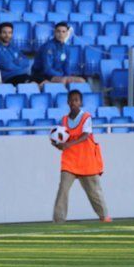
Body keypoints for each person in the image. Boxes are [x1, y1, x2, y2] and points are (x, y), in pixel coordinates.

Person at [52, 90, 110, 223]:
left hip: (86, 159)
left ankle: (104, 216)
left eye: (76, 100)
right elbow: (61, 139)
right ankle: (58, 219)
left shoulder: (86, 117)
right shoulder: (64, 120)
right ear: (68, 102)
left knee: (94, 191)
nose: (74, 102)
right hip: (70, 160)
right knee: (63, 189)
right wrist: (57, 144)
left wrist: (68, 144)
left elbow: (86, 136)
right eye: (71, 100)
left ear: (81, 102)